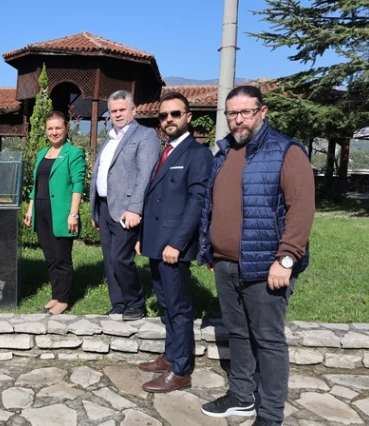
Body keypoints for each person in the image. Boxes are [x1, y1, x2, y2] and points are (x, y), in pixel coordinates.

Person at [198, 86, 314, 426]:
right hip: (226, 263)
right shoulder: (224, 152)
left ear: (262, 112)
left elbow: (302, 208)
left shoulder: (285, 151)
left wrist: (287, 258)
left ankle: (270, 414)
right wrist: (210, 248)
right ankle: (241, 396)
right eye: (231, 113)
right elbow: (213, 205)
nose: (237, 119)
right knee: (238, 332)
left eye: (245, 112)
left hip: (267, 267)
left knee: (268, 339)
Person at [134, 92, 213, 393]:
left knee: (179, 307)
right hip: (156, 243)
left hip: (173, 248)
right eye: (164, 116)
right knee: (166, 305)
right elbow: (154, 200)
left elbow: (197, 201)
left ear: (188, 116)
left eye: (175, 114)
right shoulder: (166, 152)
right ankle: (170, 356)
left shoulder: (197, 153)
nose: (169, 120)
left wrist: (177, 244)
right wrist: (143, 238)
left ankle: (181, 370)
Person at [89, 90, 159, 320]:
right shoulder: (110, 137)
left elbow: (145, 174)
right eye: (114, 111)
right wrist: (94, 209)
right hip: (104, 206)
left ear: (133, 110)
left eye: (122, 110)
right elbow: (100, 172)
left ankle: (135, 304)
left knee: (121, 257)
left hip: (126, 208)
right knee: (109, 259)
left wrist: (135, 209)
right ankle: (118, 303)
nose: (118, 114)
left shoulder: (145, 135)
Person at [24, 111, 86, 315]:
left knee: (62, 257)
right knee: (50, 257)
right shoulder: (42, 153)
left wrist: (73, 214)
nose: (54, 132)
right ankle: (56, 295)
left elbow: (78, 185)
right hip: (41, 211)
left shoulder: (73, 153)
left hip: (60, 212)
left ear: (66, 128)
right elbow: (37, 184)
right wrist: (31, 209)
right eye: (50, 128)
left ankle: (64, 300)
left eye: (58, 128)